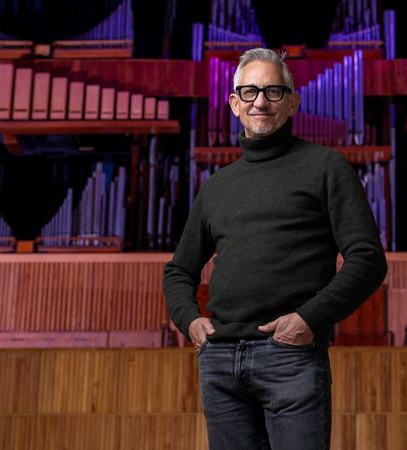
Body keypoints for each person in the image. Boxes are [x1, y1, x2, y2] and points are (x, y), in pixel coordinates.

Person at [163, 48, 387, 450]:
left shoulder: (326, 167)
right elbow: (179, 270)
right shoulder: (217, 185)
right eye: (248, 92)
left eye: (272, 91)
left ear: (293, 101)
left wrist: (308, 319)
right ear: (234, 104)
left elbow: (368, 260)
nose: (260, 102)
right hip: (220, 360)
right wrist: (191, 322)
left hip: (290, 356)